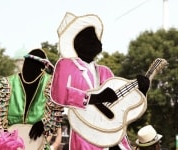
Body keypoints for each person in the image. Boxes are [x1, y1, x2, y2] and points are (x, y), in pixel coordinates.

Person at [50, 12, 150, 150]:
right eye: (88, 36)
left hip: (113, 136)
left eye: (94, 36)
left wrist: (141, 91)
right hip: (86, 135)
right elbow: (59, 94)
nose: (94, 39)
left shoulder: (105, 71)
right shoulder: (65, 65)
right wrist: (94, 98)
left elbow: (121, 107)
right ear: (77, 42)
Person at [0, 48, 64, 150]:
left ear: (42, 67)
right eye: (29, 63)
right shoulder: (6, 84)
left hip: (38, 144)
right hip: (8, 145)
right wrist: (5, 140)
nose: (31, 67)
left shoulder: (51, 84)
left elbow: (56, 114)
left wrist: (45, 123)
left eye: (35, 64)